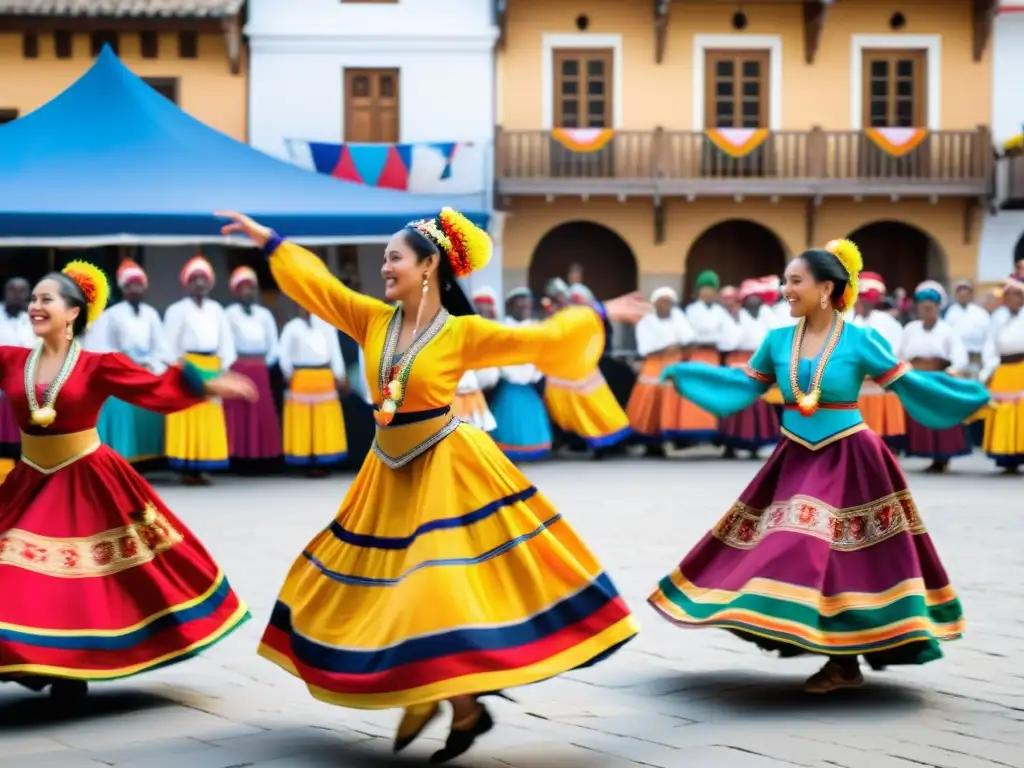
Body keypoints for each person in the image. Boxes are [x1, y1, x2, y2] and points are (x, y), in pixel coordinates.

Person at [217, 207, 644, 764]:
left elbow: (540, 342)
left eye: (394, 257)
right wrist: (271, 242)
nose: (384, 268)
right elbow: (317, 285)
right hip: (387, 473)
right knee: (354, 585)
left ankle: (443, 694)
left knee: (433, 588)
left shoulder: (463, 334)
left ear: (429, 265)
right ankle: (456, 702)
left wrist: (597, 315)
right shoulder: (371, 319)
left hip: (445, 469)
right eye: (384, 259)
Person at [651, 239, 989, 694]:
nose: (785, 289)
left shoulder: (861, 340)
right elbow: (738, 387)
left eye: (795, 281)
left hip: (852, 458)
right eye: (784, 281)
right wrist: (686, 373)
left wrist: (967, 397)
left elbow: (910, 385)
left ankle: (843, 664)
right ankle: (814, 642)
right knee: (790, 547)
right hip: (794, 458)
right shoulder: (775, 341)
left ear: (826, 288)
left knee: (846, 561)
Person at [0, 261, 255, 701]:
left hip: (87, 479)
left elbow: (155, 389)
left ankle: (67, 665)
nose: (35, 306)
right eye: (34, 300)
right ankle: (33, 657)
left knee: (84, 580)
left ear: (73, 312)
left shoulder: (99, 364)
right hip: (30, 479)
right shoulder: (10, 359)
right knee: (16, 569)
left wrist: (208, 384)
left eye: (47, 300)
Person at [89, 260, 173, 466]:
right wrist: (122, 364)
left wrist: (152, 365)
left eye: (138, 285)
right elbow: (100, 347)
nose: (134, 289)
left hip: (145, 370)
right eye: (130, 285)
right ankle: (120, 461)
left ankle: (148, 462)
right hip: (122, 372)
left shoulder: (151, 314)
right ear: (123, 289)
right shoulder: (111, 315)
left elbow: (161, 345)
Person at [163, 256, 236, 485]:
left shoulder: (217, 310)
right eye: (194, 279)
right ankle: (187, 468)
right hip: (188, 365)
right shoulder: (177, 310)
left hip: (211, 365)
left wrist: (222, 368)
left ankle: (203, 466)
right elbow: (167, 344)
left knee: (207, 417)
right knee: (188, 413)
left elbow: (226, 342)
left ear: (210, 283)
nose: (200, 284)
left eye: (204, 279)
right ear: (186, 283)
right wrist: (178, 366)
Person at [543, 283, 631, 458]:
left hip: (588, 371)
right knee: (569, 410)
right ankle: (579, 442)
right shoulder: (561, 317)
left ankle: (607, 444)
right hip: (566, 373)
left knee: (597, 408)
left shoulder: (589, 316)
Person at [899, 281, 972, 473]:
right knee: (921, 419)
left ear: (938, 308)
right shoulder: (910, 329)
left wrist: (953, 371)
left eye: (931, 307)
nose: (927, 310)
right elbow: (900, 354)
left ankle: (943, 458)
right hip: (917, 379)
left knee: (940, 419)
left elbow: (959, 356)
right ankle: (928, 454)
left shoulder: (948, 330)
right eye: (923, 307)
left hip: (940, 379)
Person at [278, 306, 349, 477]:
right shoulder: (292, 327)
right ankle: (306, 460)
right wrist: (287, 372)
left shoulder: (326, 324)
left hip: (323, 376)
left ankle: (323, 461)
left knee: (323, 422)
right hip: (301, 377)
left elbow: (334, 351)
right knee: (303, 422)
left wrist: (339, 374)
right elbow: (284, 353)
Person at [224, 266, 283, 469]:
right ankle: (239, 457)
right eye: (244, 288)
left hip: (260, 367)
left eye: (252, 288)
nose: (248, 292)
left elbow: (274, 343)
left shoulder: (264, 314)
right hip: (239, 366)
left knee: (261, 411)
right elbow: (227, 341)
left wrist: (266, 363)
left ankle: (263, 458)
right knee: (238, 411)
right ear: (236, 291)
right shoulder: (229, 314)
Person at [626, 287, 696, 455]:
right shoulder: (646, 322)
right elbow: (645, 349)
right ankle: (650, 442)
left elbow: (688, 338)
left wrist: (678, 348)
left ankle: (669, 439)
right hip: (654, 366)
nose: (665, 305)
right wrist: (667, 348)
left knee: (671, 403)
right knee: (651, 404)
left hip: (674, 365)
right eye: (661, 302)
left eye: (668, 302)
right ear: (655, 304)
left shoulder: (678, 318)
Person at [717, 281, 780, 459]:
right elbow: (729, 341)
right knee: (737, 401)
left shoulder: (767, 316)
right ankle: (732, 444)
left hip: (758, 362)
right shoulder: (736, 316)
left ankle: (757, 442)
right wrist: (736, 321)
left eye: (757, 302)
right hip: (738, 359)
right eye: (750, 302)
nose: (753, 305)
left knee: (759, 403)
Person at [489, 288, 552, 462]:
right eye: (520, 302)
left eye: (527, 302)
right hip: (508, 383)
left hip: (530, 383)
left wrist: (536, 372)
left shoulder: (534, 327)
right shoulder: (502, 327)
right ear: (511, 305)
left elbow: (540, 353)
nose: (525, 306)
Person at [852, 272, 906, 452]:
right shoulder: (849, 320)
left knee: (880, 422)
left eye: (862, 300)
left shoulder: (887, 322)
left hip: (879, 376)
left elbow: (895, 349)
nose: (858, 304)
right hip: (856, 379)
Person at [980, 278, 1024, 474]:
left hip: (1022, 368)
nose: (1012, 299)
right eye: (1008, 296)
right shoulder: (998, 316)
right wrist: (988, 368)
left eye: (1016, 295)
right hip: (1003, 369)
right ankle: (1007, 457)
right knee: (1002, 410)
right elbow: (990, 342)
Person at [682, 270, 730, 446]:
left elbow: (726, 333)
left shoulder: (720, 311)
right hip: (697, 354)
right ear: (698, 291)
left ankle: (713, 432)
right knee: (697, 392)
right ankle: (692, 434)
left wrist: (714, 337)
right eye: (704, 288)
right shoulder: (691, 310)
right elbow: (695, 332)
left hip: (714, 356)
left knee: (714, 393)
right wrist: (710, 335)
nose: (708, 292)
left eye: (711, 288)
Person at [452, 287, 500, 433]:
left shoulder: (493, 329)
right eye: (480, 309)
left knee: (478, 428)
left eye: (486, 309)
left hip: (482, 386)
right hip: (460, 390)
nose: (483, 311)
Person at [0, 277, 33, 479]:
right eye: (12, 290)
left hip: (26, 383)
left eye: (22, 291)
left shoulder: (35, 316)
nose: (16, 294)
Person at [944, 279, 990, 379]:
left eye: (966, 290)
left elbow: (988, 338)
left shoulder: (980, 313)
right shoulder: (950, 314)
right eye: (960, 290)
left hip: (977, 360)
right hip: (956, 363)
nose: (963, 293)